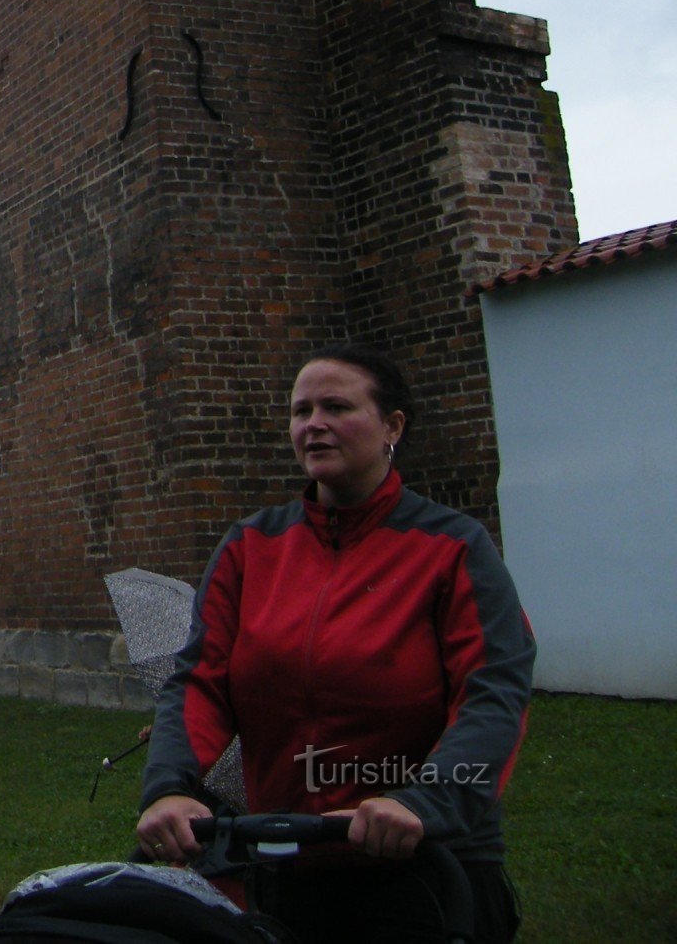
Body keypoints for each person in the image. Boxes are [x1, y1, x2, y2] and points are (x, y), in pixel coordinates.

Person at [136, 344, 534, 943]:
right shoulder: (251, 548)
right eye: (301, 411)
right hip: (283, 860)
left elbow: (493, 692)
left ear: (392, 426)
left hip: (421, 866)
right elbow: (200, 683)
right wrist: (170, 787)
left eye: (336, 407)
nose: (312, 424)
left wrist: (424, 804)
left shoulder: (453, 548)